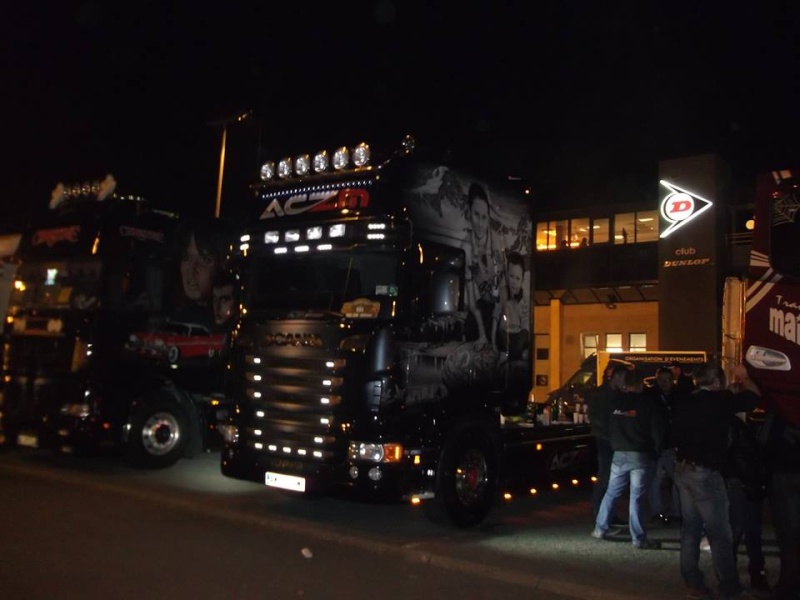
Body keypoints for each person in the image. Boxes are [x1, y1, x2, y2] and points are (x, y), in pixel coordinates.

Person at [672, 362, 761, 600]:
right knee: (719, 531)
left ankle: (693, 581)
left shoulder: (685, 401)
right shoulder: (719, 401)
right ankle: (729, 585)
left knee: (690, 528)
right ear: (717, 382)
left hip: (683, 469)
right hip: (706, 473)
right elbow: (754, 398)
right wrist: (744, 377)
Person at [592, 368, 665, 549]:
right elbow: (657, 429)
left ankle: (600, 528)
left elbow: (609, 425)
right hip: (639, 454)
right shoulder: (647, 403)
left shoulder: (616, 401)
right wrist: (656, 450)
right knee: (636, 497)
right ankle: (638, 538)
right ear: (640, 383)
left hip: (618, 453)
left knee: (611, 492)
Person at [724, 412, 770, 594]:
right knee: (743, 529)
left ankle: (743, 573)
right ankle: (743, 574)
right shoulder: (738, 426)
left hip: (746, 482)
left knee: (747, 529)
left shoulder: (742, 426)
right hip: (742, 482)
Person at [759, 408, 800, 599]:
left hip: (783, 474)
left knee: (788, 536)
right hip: (786, 472)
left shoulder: (779, 412)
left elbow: (764, 441)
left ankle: (788, 585)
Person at [463, 183, 502, 349]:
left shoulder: (496, 242)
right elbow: (472, 303)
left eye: (484, 217)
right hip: (482, 303)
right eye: (476, 215)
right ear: (469, 214)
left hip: (500, 303)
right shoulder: (466, 248)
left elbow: (503, 288)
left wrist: (492, 335)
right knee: (470, 327)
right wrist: (482, 335)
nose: (480, 223)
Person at [587, 362, 628, 519]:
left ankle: (608, 513)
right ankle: (601, 512)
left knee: (612, 478)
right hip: (605, 438)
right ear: (616, 376)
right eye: (623, 377)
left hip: (611, 438)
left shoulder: (611, 394)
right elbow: (596, 417)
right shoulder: (602, 394)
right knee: (605, 476)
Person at [172, 218, 229, 326]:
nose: (191, 270)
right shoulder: (172, 320)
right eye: (186, 257)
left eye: (205, 260)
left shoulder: (233, 329)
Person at [648, 366, 683, 525]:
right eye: (661, 380)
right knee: (655, 481)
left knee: (677, 481)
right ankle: (657, 512)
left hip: (672, 445)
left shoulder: (678, 396)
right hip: (656, 446)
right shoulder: (650, 396)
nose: (665, 383)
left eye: (668, 380)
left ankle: (677, 513)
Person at [493, 252, 529, 362]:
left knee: (524, 337)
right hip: (505, 332)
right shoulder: (503, 292)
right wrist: (493, 341)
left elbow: (525, 326)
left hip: (517, 334)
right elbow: (495, 316)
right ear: (507, 275)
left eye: (517, 279)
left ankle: (513, 355)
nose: (513, 281)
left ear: (522, 280)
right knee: (500, 335)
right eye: (511, 276)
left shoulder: (524, 299)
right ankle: (508, 354)